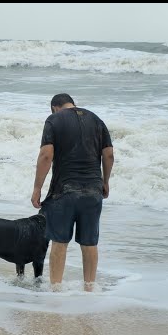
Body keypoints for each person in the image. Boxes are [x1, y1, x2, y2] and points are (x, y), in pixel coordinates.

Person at [31, 93, 114, 292]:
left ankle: (56, 291)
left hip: (64, 191)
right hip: (93, 191)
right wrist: (105, 181)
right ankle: (89, 289)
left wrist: (37, 188)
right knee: (90, 243)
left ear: (54, 107)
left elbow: (46, 155)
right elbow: (109, 155)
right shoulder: (96, 119)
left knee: (60, 242)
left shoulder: (54, 120)